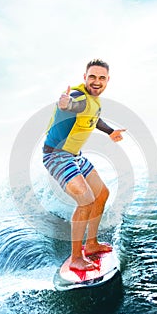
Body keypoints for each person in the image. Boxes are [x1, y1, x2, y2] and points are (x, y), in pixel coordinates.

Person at [43, 59, 126, 271]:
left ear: (107, 80)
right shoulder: (79, 96)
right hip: (57, 155)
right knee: (86, 200)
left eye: (101, 78)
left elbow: (95, 118)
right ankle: (76, 258)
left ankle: (91, 244)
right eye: (92, 77)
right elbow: (73, 105)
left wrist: (110, 132)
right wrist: (65, 104)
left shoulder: (94, 101)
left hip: (75, 156)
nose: (96, 81)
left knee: (102, 194)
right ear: (84, 78)